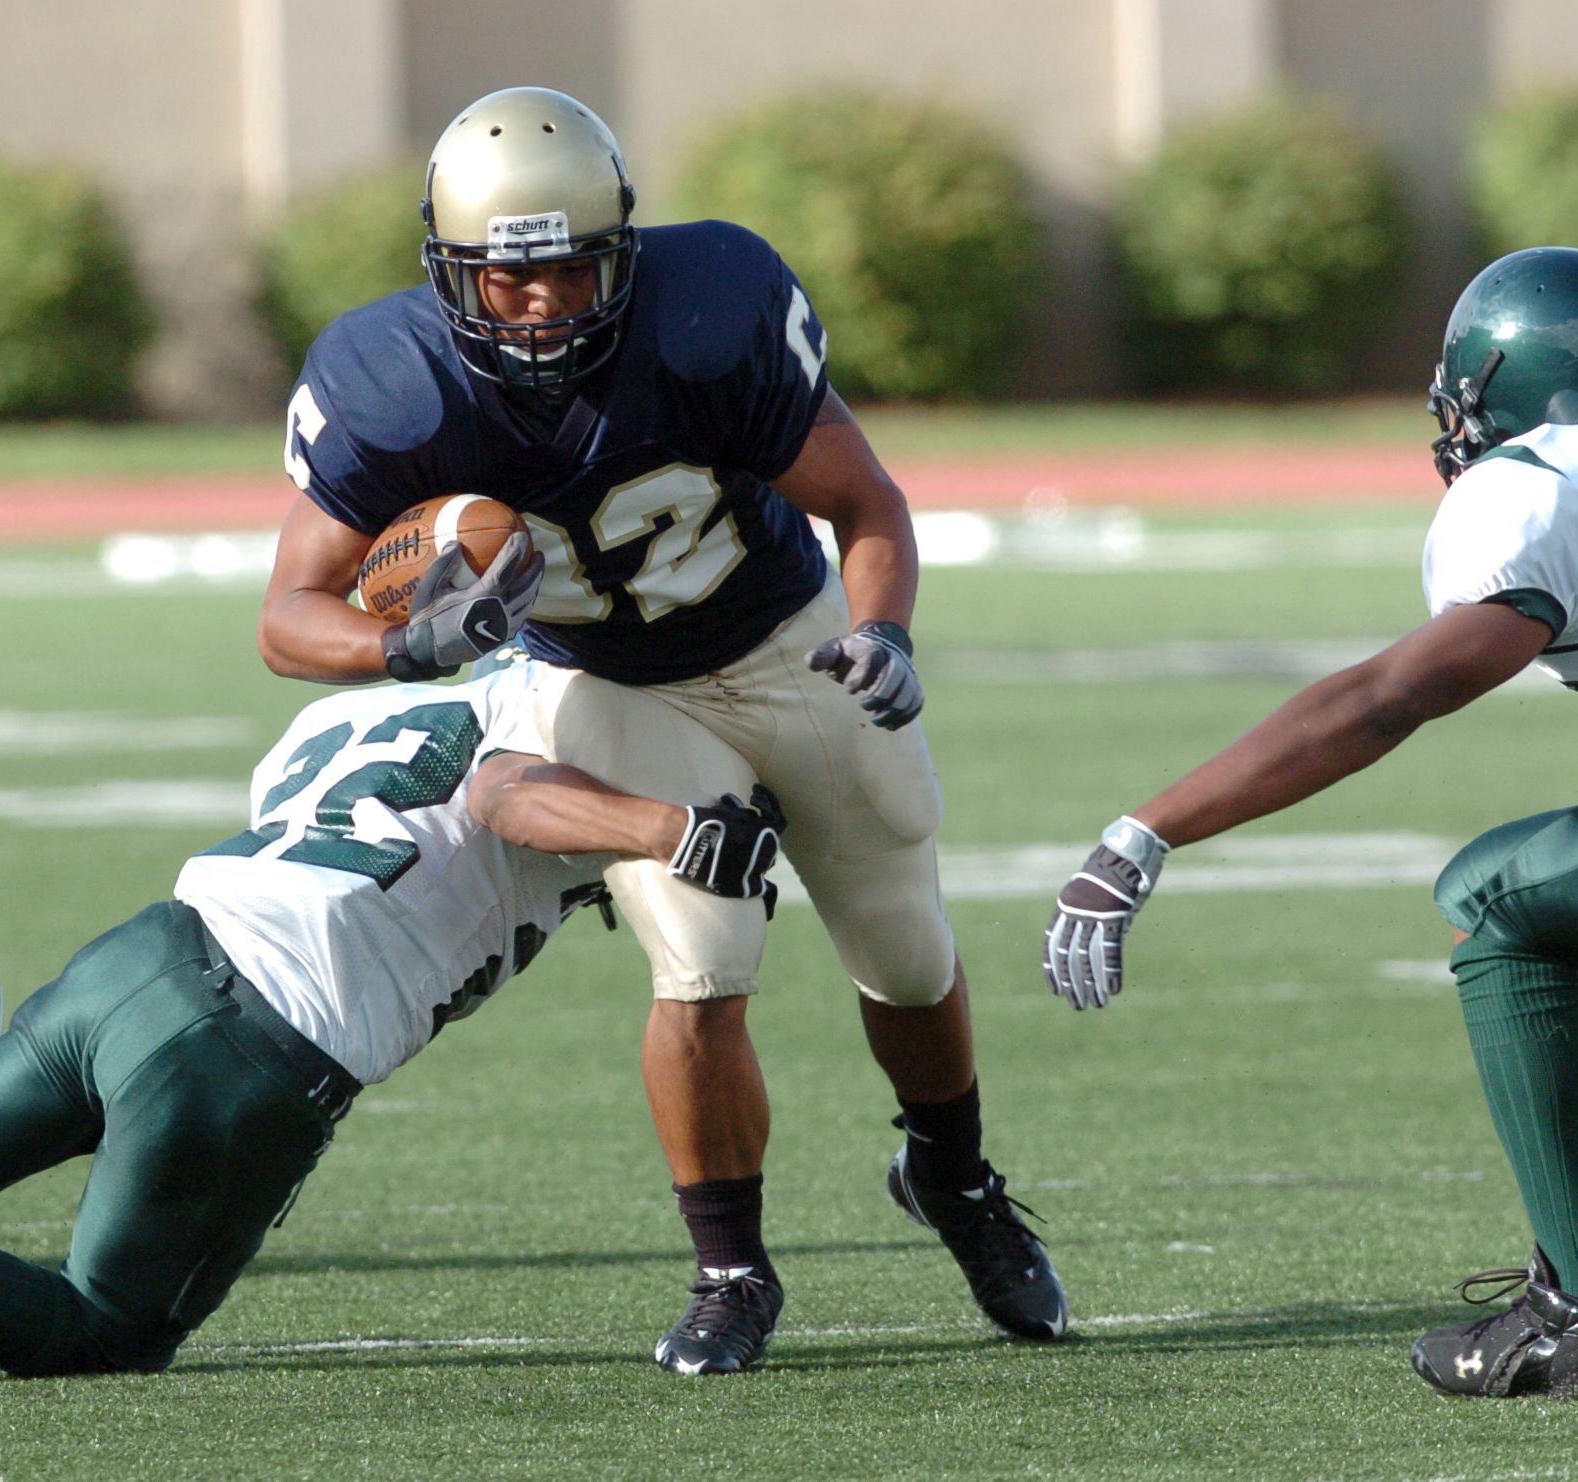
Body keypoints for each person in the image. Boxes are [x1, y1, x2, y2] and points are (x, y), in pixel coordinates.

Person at [259, 86, 1065, 1372]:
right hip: (613, 685)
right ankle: (732, 1270)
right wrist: (404, 645)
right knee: (701, 959)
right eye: (507, 279)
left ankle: (954, 1178)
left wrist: (885, 632)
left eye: (573, 269)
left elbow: (866, 501)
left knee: (904, 947)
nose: (541, 304)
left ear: (622, 250)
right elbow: (287, 619)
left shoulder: (714, 308)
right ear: (449, 270)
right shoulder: (392, 383)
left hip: (784, 633)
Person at [0, 663, 785, 1389]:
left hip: (144, 952)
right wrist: (667, 831)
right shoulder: (551, 739)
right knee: (109, 1330)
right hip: (260, 1041)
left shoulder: (363, 715)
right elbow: (514, 791)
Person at [1043, 245, 1578, 1398]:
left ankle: (1570, 1312)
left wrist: (1151, 828)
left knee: (1493, 901)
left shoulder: (1532, 484)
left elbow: (1392, 698)